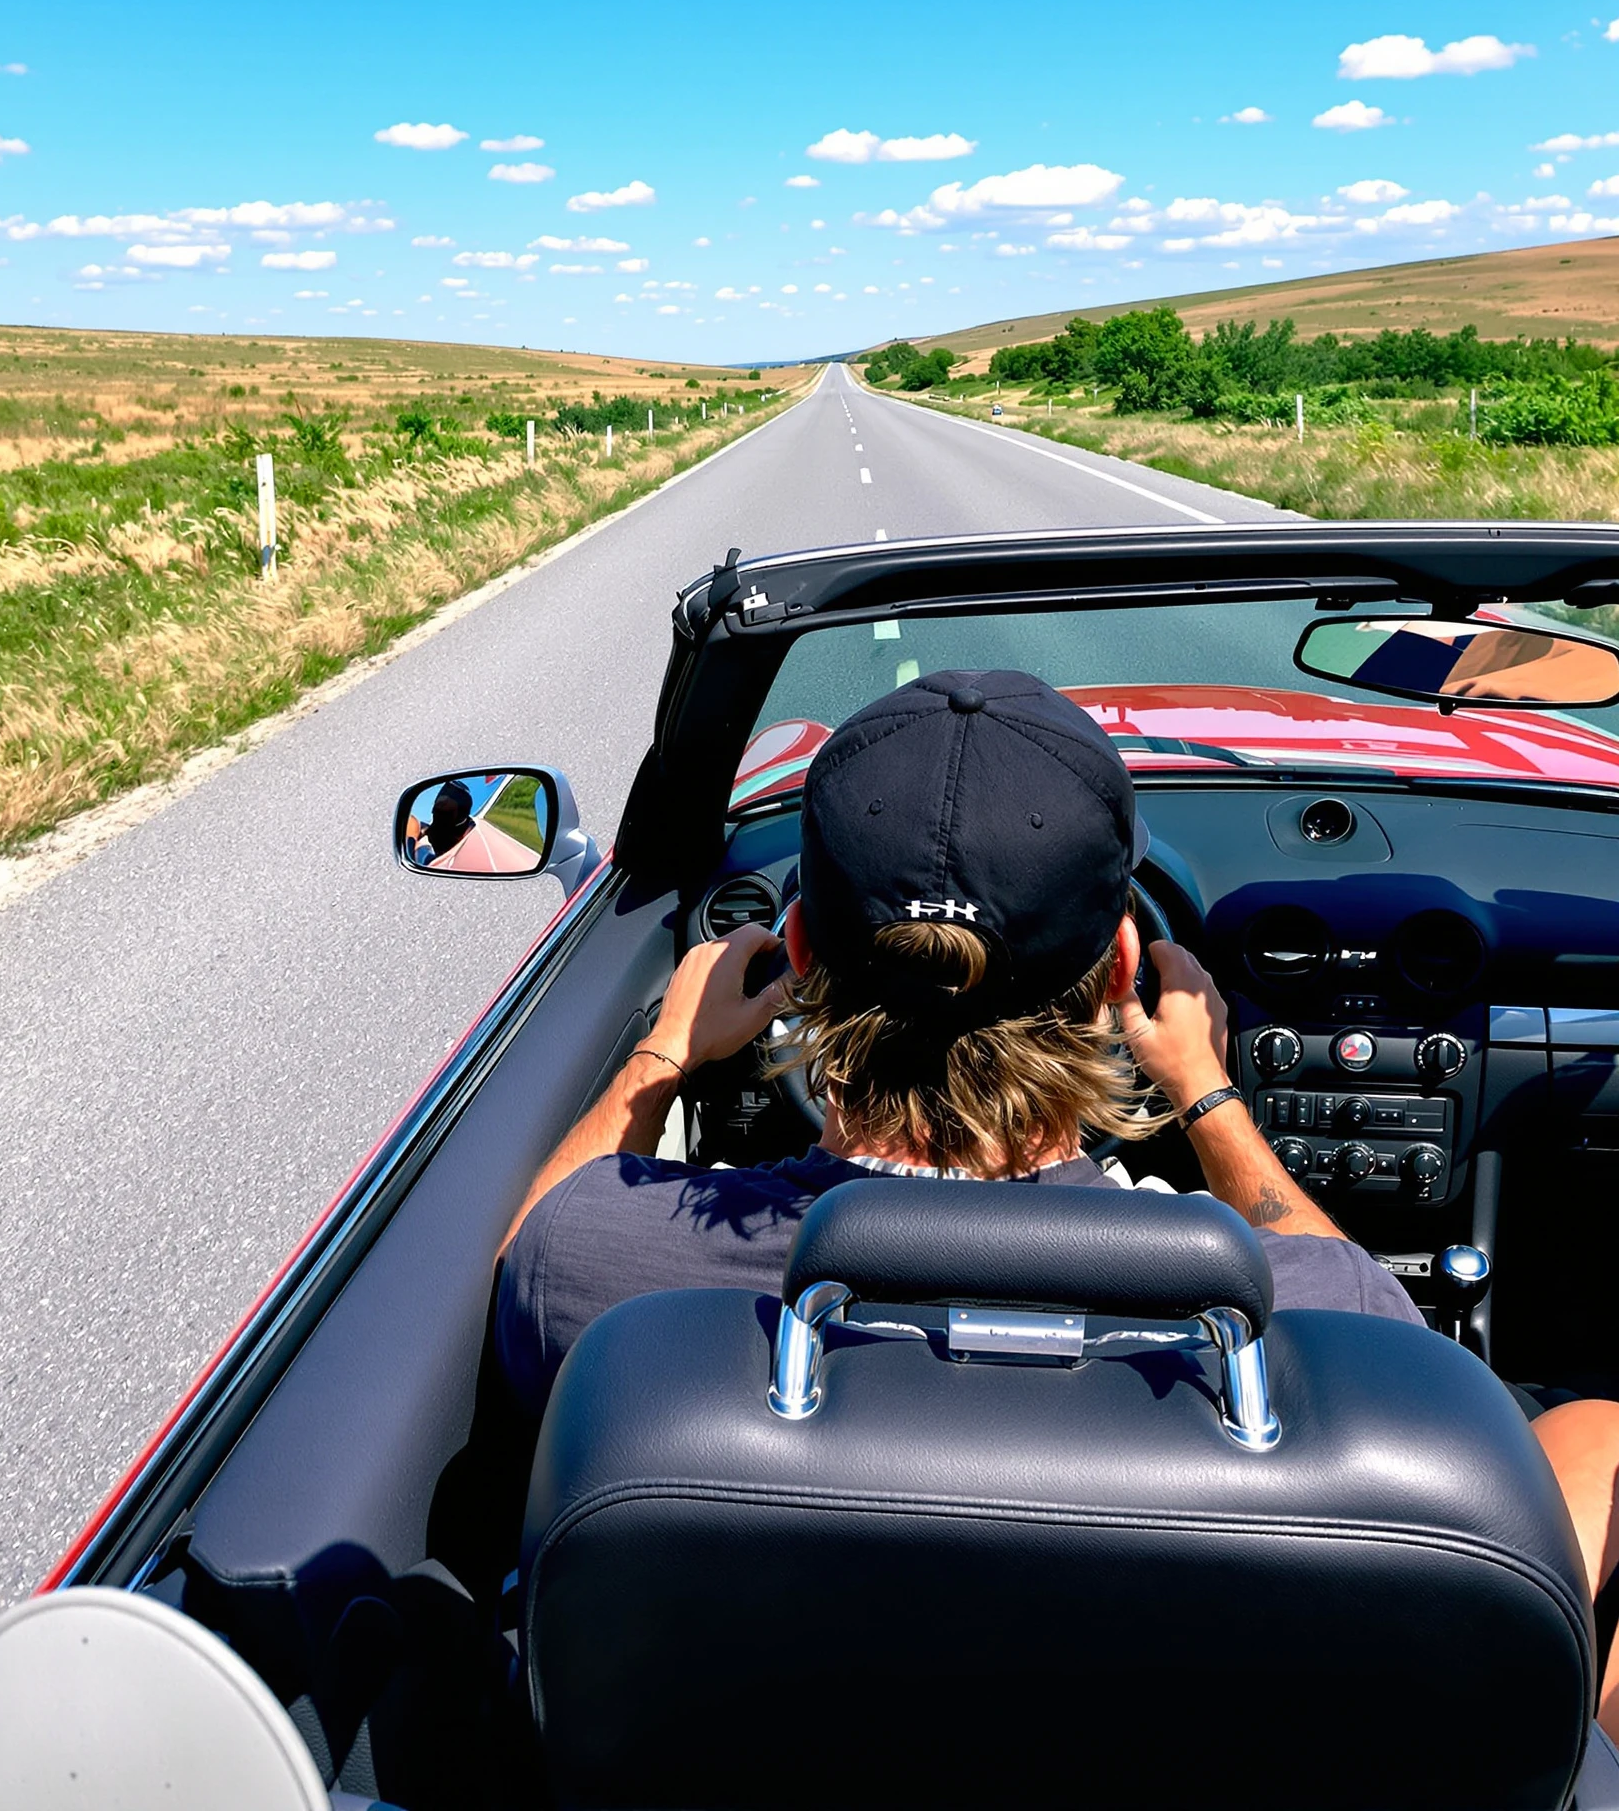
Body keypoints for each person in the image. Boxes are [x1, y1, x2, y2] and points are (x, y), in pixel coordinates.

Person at [497, 669, 1619, 1732]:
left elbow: (522, 1258)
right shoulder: (1320, 1316)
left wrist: (662, 1057)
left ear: (796, 949)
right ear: (1124, 968)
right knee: (1596, 1436)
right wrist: (1208, 1094)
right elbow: (1391, 1341)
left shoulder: (603, 1266)